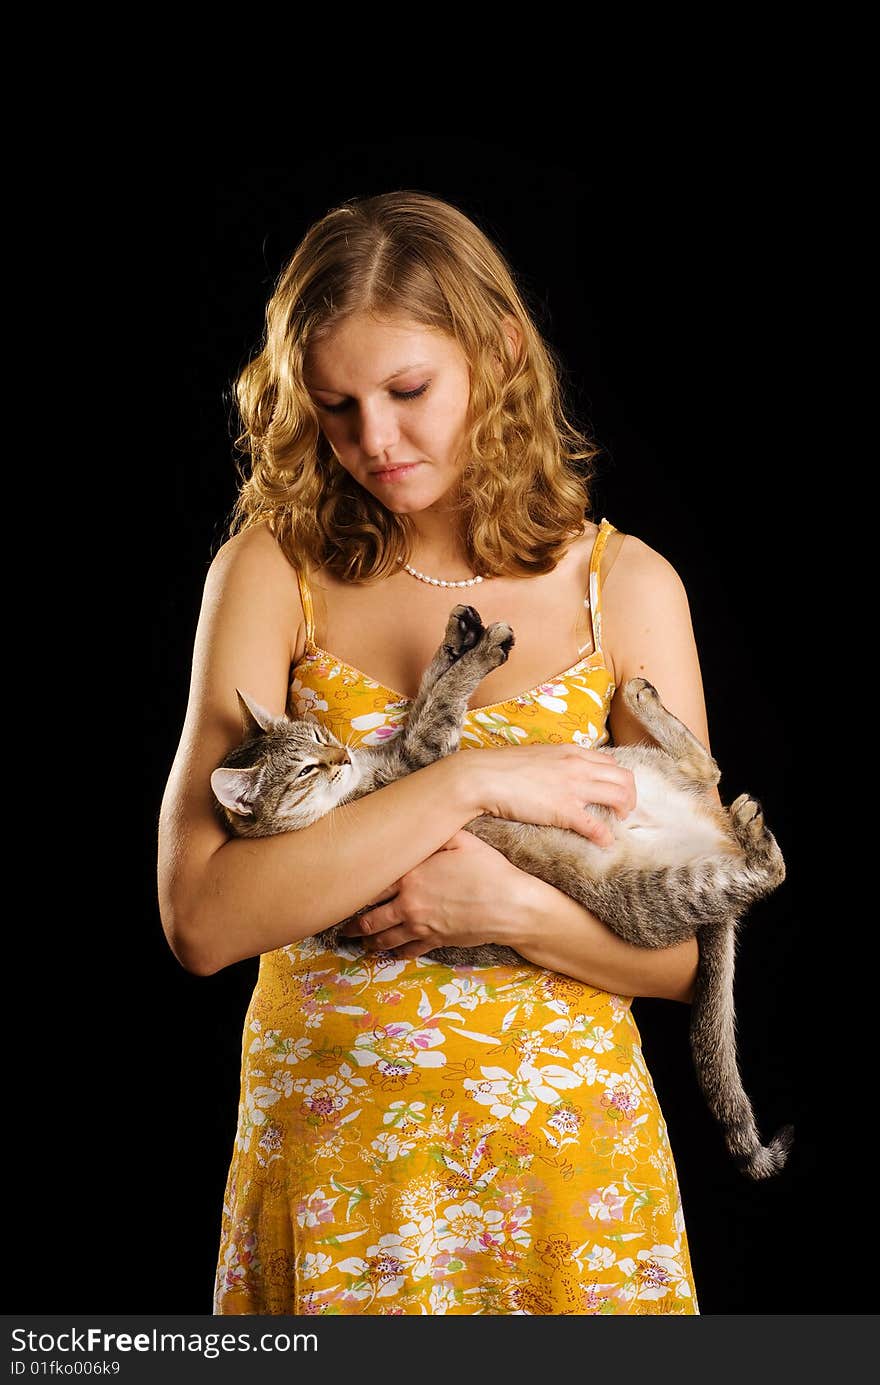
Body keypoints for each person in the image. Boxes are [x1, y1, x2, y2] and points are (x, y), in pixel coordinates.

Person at [158, 189, 717, 1316]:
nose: (375, 440)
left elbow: (678, 961)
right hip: (335, 1168)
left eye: (408, 391)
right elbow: (203, 918)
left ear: (500, 351)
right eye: (336, 406)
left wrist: (498, 905)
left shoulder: (627, 589)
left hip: (567, 1177)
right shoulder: (274, 574)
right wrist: (469, 777)